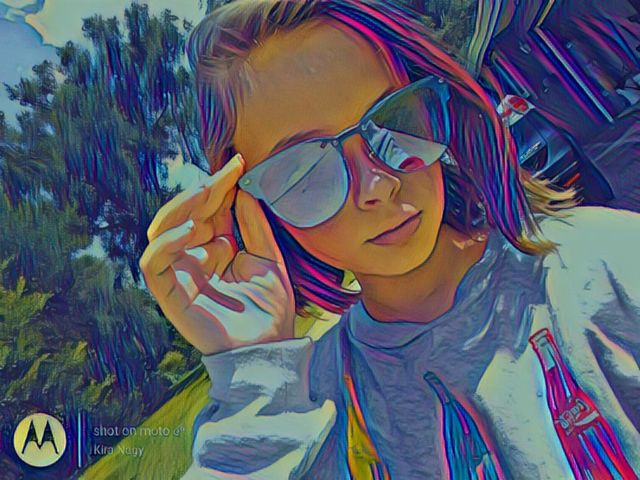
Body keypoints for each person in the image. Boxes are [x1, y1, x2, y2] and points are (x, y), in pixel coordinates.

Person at [139, 0, 640, 478]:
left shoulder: (602, 263)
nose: (377, 184)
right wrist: (254, 378)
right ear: (250, 205)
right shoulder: (296, 414)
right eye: (305, 171)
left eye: (395, 119)